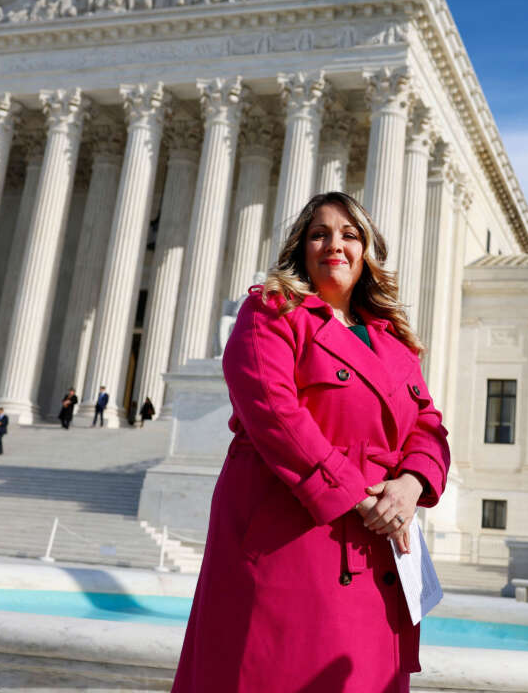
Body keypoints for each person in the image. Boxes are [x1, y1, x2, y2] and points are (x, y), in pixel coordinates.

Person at [171, 192, 451, 693]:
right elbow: (274, 413)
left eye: (349, 234)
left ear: (367, 252)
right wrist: (362, 496)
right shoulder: (270, 310)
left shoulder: (393, 341)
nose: (334, 245)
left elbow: (428, 424)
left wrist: (409, 485)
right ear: (301, 247)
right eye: (319, 233)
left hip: (377, 544)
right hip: (292, 536)